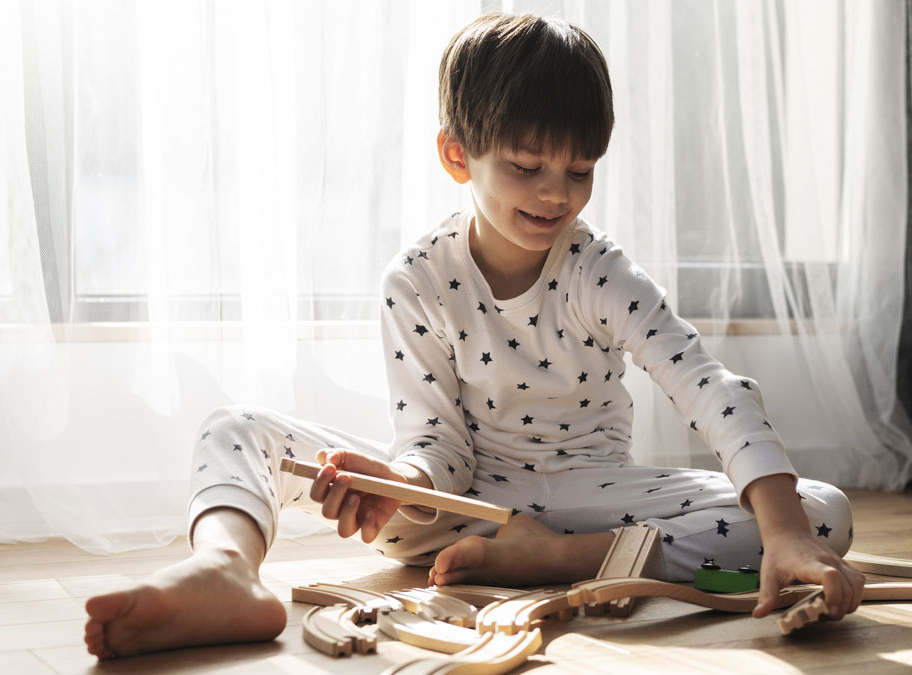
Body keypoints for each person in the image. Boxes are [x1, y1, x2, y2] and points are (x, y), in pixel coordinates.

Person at [83, 12, 864, 660]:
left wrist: (788, 532)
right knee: (235, 429)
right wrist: (399, 485)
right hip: (461, 506)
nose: (558, 194)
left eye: (580, 169)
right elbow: (434, 439)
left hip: (592, 506)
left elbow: (705, 384)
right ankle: (225, 569)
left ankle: (555, 563)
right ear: (459, 154)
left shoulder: (600, 270)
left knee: (820, 510)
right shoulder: (415, 278)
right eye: (528, 167)